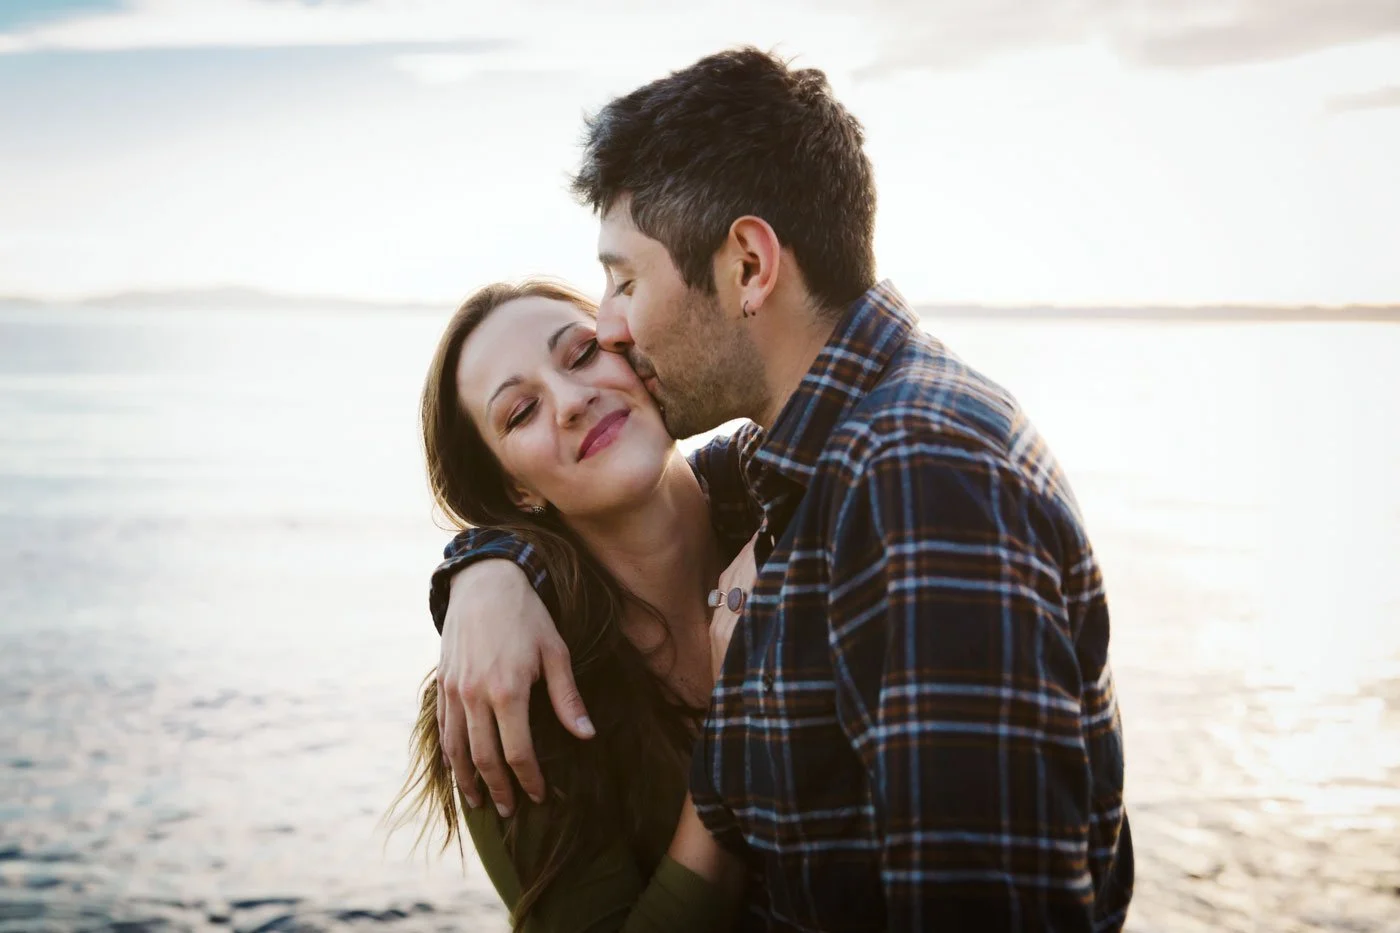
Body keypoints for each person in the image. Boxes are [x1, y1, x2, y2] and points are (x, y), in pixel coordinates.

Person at [431, 48, 1133, 931]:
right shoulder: (805, 472)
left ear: (750, 267)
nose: (609, 328)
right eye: (521, 410)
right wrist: (481, 567)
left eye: (623, 282)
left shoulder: (912, 478)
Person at [393, 279, 765, 932]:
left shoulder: (782, 497)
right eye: (520, 412)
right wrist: (738, 719)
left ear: (637, 355)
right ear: (515, 485)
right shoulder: (508, 687)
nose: (571, 400)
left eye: (583, 353)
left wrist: (480, 563)